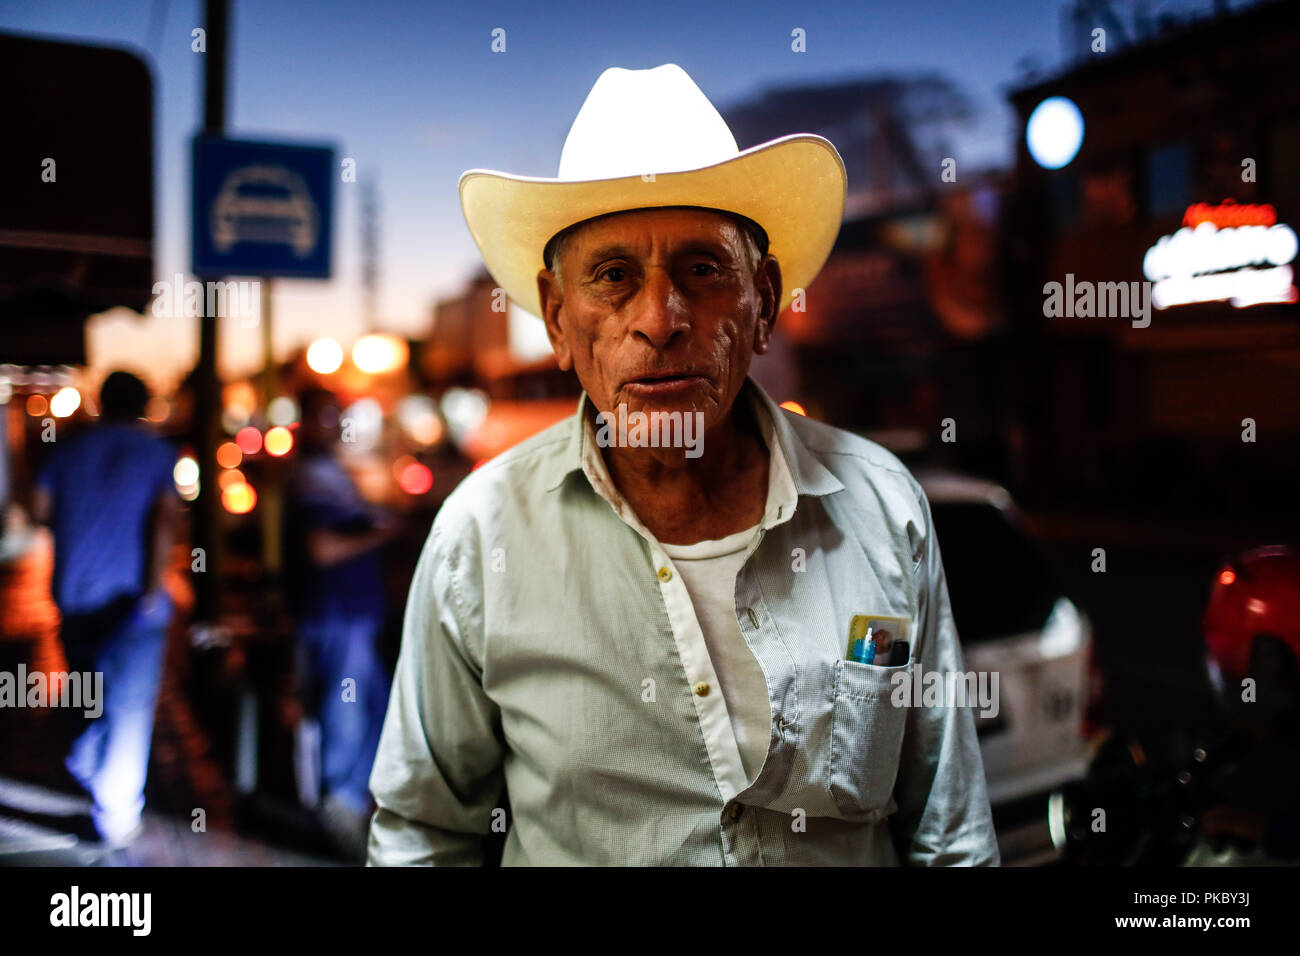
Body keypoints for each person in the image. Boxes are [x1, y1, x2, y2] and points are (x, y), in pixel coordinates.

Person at [368, 64, 998, 865]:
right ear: (558, 319)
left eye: (703, 270)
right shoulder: (481, 535)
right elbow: (423, 835)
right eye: (613, 277)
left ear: (763, 302)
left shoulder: (881, 506)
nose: (660, 320)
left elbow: (949, 836)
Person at [32, 370, 180, 846]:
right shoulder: (157, 452)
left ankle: (84, 757)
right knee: (128, 704)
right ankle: (115, 815)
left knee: (86, 684)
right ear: (143, 405)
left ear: (101, 402)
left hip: (76, 592)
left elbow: (37, 510)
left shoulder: (69, 449)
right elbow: (163, 522)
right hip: (132, 599)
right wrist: (154, 590)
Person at [284, 387, 395, 859]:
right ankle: (340, 813)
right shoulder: (311, 476)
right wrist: (380, 531)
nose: (336, 425)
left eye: (338, 416)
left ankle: (353, 809)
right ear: (308, 421)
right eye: (327, 416)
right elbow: (323, 548)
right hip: (337, 617)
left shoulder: (326, 472)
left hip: (350, 617)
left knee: (371, 712)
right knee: (346, 715)